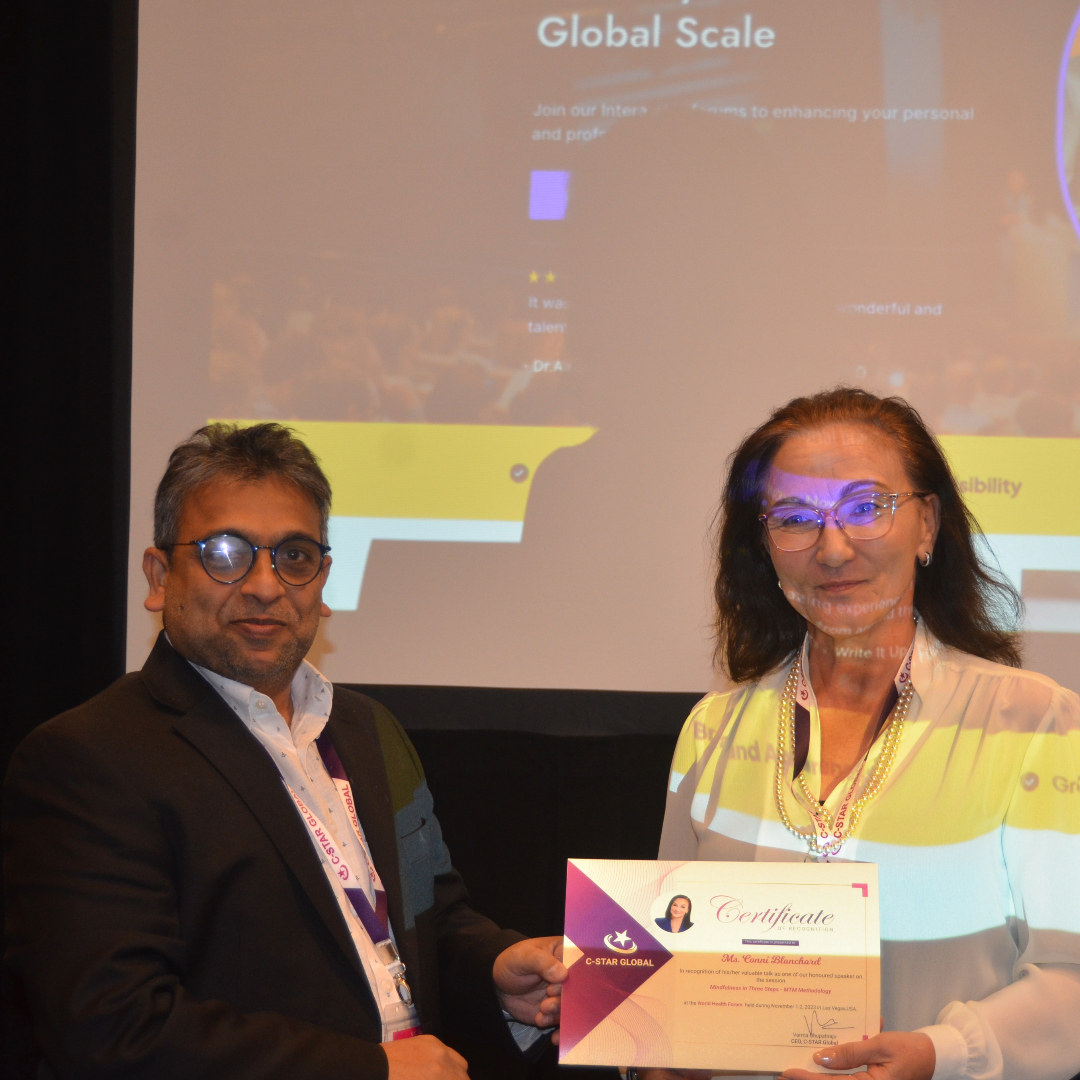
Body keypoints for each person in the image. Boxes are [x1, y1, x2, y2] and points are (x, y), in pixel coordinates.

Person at [3, 422, 566, 1080]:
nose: (265, 585)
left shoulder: (368, 728)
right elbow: (114, 1026)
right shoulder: (89, 759)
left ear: (322, 581)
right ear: (159, 576)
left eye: (293, 556)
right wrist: (372, 1071)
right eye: (224, 553)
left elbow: (426, 918)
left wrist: (493, 966)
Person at [647, 388, 1080, 1080]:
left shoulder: (1034, 725)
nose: (833, 547)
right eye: (795, 518)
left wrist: (939, 1054)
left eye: (865, 507)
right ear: (763, 546)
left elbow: (1070, 983)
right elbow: (674, 965)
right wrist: (638, 1028)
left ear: (927, 525)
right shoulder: (714, 731)